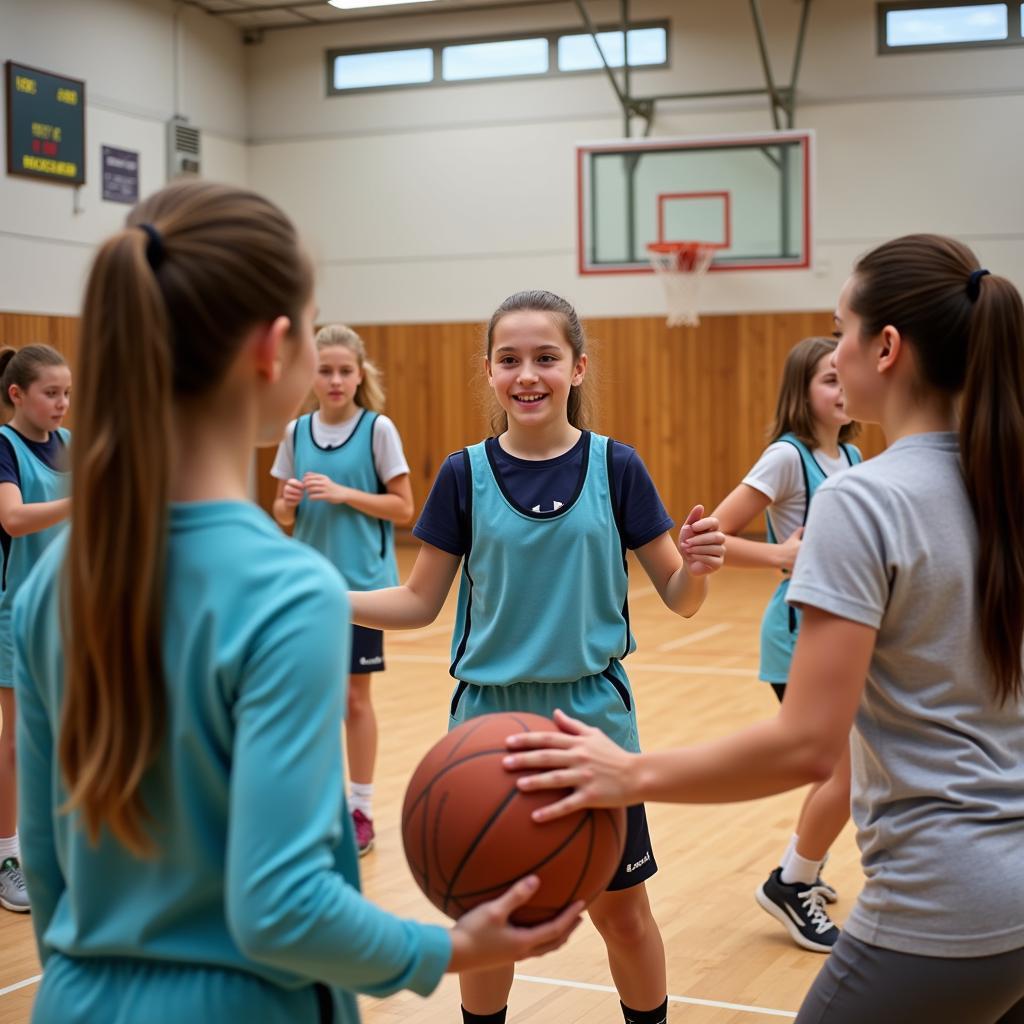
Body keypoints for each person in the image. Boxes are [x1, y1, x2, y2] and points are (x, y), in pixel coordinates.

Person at [14, 182, 583, 1024]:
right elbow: (281, 907)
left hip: (73, 999)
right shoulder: (285, 591)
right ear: (272, 349)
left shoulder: (50, 580)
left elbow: (51, 874)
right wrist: (452, 950)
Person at [505, 235, 1024, 1023]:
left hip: (946, 903)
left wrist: (628, 773)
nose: (835, 351)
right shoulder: (1005, 480)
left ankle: (790, 880)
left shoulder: (865, 499)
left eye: (841, 328)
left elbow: (804, 746)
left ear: (885, 349)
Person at [349, 289, 726, 1024]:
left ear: (578, 368)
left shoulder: (617, 467)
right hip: (488, 728)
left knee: (623, 915)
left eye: (546, 358)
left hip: (594, 722)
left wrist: (700, 568)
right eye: (510, 359)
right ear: (489, 372)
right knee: (493, 927)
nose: (529, 374)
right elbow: (421, 602)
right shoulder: (463, 475)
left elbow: (679, 595)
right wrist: (322, 598)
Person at [711, 336, 861, 952]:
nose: (842, 388)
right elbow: (706, 535)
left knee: (852, 771)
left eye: (845, 375)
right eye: (829, 379)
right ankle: (790, 882)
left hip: (847, 630)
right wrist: (779, 553)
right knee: (846, 774)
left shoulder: (850, 452)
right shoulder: (786, 456)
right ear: (802, 393)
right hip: (799, 632)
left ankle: (803, 868)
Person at [272, 324, 413, 856]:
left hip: (364, 591)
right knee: (310, 701)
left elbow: (404, 508)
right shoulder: (295, 433)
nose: (334, 380)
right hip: (307, 590)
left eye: (344, 371)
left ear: (359, 375)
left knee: (355, 699)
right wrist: (286, 501)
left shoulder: (378, 430)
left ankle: (361, 809)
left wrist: (345, 493)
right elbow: (282, 515)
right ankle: (316, 808)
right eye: (324, 370)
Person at [0, 344, 71, 914]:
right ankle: (8, 857)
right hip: (15, 613)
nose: (62, 403)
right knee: (17, 741)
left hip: (66, 613)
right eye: (51, 392)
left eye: (68, 393)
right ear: (16, 394)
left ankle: (52, 847)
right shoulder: (4, 447)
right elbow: (14, 518)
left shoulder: (69, 447)